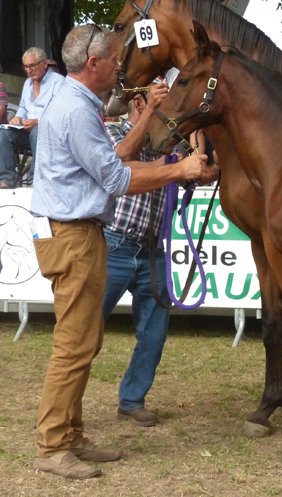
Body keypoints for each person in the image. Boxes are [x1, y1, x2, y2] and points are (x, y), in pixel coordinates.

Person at [30, 24, 216, 480]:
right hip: (75, 235)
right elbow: (116, 179)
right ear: (93, 63)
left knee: (83, 343)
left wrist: (148, 111)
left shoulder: (74, 103)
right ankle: (53, 446)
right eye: (115, 60)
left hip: (78, 233)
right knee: (74, 347)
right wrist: (180, 170)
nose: (120, 68)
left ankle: (70, 436)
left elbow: (112, 159)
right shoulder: (76, 110)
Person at [103, 84, 172, 429]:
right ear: (141, 102)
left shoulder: (166, 141)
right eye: (160, 101)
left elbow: (196, 166)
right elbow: (121, 160)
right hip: (114, 243)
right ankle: (65, 404)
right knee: (84, 331)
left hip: (151, 248)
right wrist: (171, 167)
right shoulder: (113, 130)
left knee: (154, 333)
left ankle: (132, 400)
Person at [0, 47, 64, 188]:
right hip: (26, 131)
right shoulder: (28, 83)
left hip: (50, 134)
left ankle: (35, 180)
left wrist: (38, 122)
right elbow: (23, 108)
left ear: (44, 63)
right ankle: (7, 179)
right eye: (26, 67)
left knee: (37, 130)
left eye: (32, 65)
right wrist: (17, 118)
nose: (29, 70)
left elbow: (61, 113)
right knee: (3, 132)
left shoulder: (58, 82)